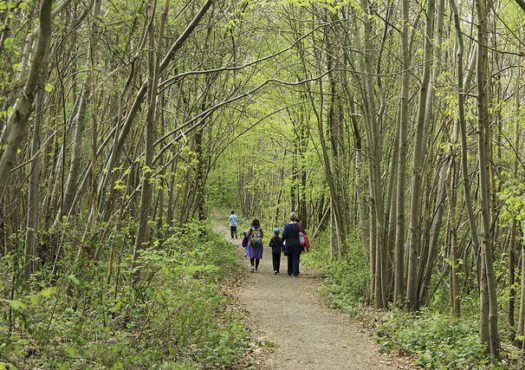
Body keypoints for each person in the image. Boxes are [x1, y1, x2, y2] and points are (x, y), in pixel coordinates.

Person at [281, 212, 305, 277]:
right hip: (297, 244)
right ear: (295, 217)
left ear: (290, 218)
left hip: (289, 244)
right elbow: (303, 233)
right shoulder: (299, 225)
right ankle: (295, 272)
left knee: (289, 258)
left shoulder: (287, 226)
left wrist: (281, 241)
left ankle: (289, 272)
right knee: (296, 258)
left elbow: (284, 235)